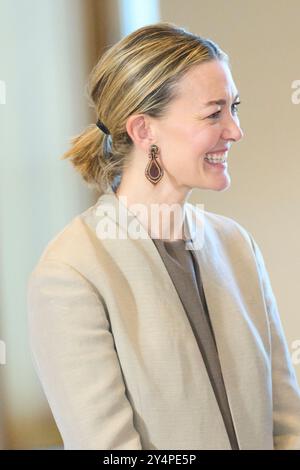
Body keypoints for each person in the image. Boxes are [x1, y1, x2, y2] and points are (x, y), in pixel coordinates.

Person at [27, 22, 300, 450]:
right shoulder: (71, 272)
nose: (235, 130)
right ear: (143, 131)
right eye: (214, 113)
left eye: (234, 107)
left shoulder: (237, 246)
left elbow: (287, 426)